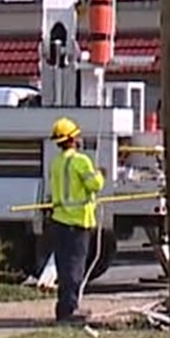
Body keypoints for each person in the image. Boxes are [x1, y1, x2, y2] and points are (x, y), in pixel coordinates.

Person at [46, 117, 105, 324]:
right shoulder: (81, 161)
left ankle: (63, 309)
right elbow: (95, 185)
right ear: (72, 139)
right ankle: (69, 312)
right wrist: (100, 174)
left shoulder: (56, 163)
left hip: (59, 221)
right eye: (77, 135)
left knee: (64, 269)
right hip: (77, 223)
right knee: (75, 269)